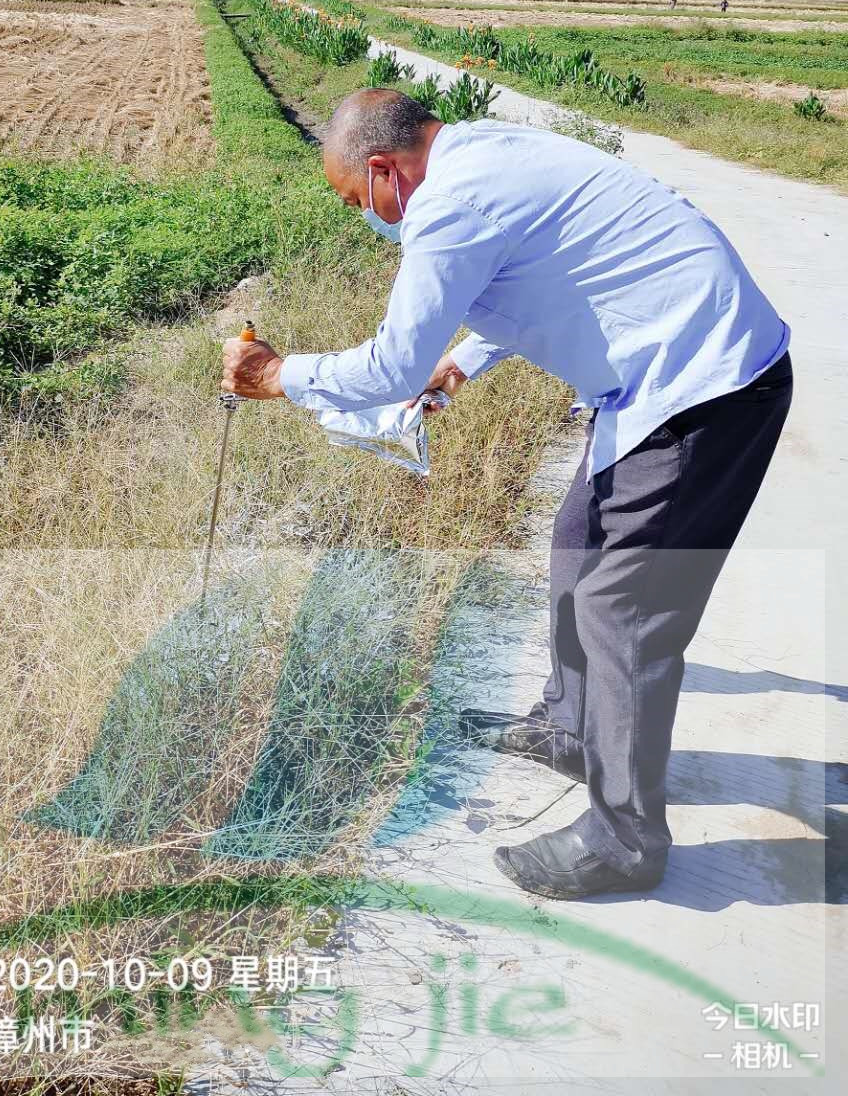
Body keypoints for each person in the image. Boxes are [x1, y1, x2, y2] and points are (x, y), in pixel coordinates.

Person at [222, 89, 792, 900]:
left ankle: (625, 842)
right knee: (577, 543)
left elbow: (389, 365)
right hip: (665, 374)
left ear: (384, 170)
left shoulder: (449, 203)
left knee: (625, 609)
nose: (364, 216)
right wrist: (463, 360)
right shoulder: (484, 151)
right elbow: (543, 270)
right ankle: (571, 728)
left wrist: (281, 375)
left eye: (356, 199)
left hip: (706, 388)